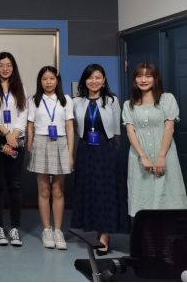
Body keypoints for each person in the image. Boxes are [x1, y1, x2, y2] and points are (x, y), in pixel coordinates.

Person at [71, 64, 130, 256]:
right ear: (84, 80)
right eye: (90, 77)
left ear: (104, 80)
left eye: (98, 77)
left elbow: (117, 132)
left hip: (107, 149)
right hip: (85, 149)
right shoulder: (77, 101)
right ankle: (93, 227)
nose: (94, 81)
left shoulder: (112, 100)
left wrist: (115, 152)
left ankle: (104, 235)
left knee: (106, 191)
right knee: (90, 190)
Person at [123, 62, 187, 217]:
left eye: (148, 76)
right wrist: (143, 157)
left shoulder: (167, 99)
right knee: (142, 196)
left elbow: (169, 129)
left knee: (169, 196)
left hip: (165, 153)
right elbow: (131, 133)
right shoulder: (128, 105)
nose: (143, 80)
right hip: (139, 157)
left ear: (155, 78)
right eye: (139, 76)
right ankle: (144, 232)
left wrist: (161, 156)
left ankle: (170, 233)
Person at [0, 52, 28, 247]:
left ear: (13, 67)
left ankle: (15, 228)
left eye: (8, 65)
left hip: (16, 141)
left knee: (15, 185)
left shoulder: (20, 88)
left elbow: (24, 114)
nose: (5, 69)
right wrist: (6, 134)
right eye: (1, 65)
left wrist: (13, 136)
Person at [27, 66, 74, 250]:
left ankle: (58, 230)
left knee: (58, 190)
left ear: (57, 80)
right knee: (44, 190)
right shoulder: (33, 100)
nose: (48, 82)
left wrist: (70, 153)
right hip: (40, 142)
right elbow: (30, 125)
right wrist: (30, 146)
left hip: (60, 142)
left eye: (52, 78)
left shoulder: (66, 99)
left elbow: (70, 127)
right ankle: (47, 229)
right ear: (40, 81)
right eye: (44, 79)